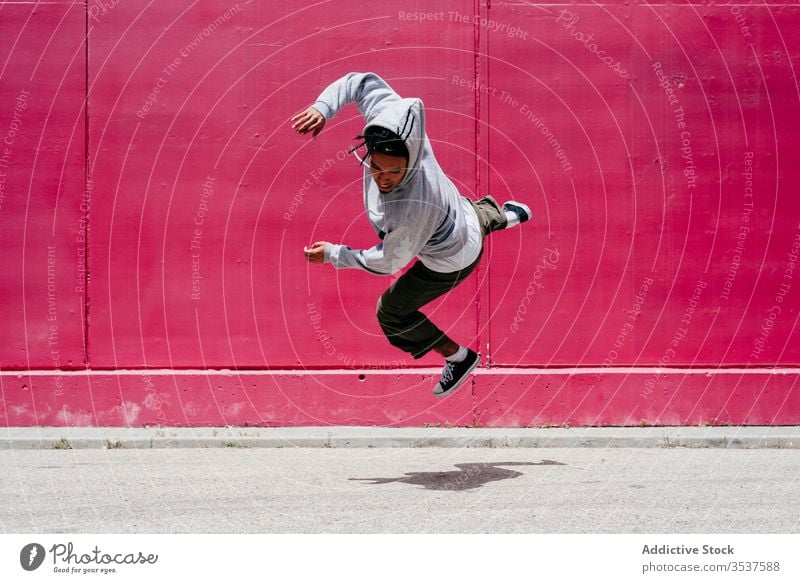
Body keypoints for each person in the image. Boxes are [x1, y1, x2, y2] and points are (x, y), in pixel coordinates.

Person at [293, 72, 531, 398]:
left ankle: (459, 358)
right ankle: (505, 215)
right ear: (370, 146)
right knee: (468, 215)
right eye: (376, 167)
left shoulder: (410, 210)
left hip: (451, 258)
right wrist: (324, 107)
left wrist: (335, 255)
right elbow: (359, 83)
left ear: (411, 159)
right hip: (459, 213)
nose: (384, 179)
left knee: (390, 313)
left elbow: (387, 261)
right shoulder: (396, 122)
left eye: (394, 171)